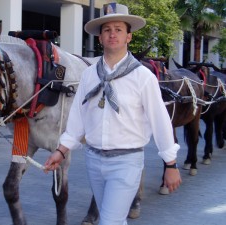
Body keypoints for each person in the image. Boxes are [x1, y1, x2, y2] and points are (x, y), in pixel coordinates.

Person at [44, 3, 182, 225]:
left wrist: (171, 164)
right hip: (93, 159)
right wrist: (61, 150)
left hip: (126, 161)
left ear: (129, 36)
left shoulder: (142, 77)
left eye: (118, 29)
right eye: (107, 30)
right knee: (114, 220)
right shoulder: (89, 75)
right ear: (100, 38)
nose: (112, 34)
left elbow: (160, 121)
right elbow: (79, 117)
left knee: (109, 222)